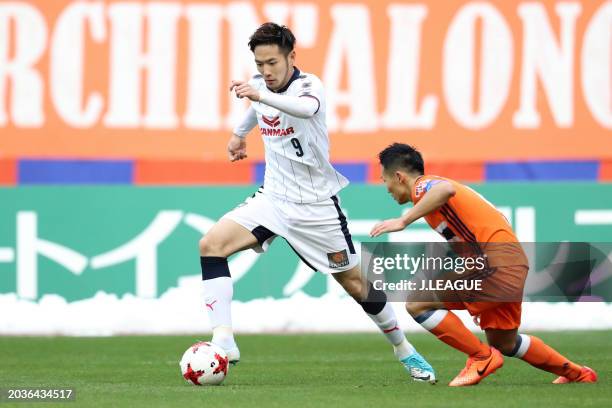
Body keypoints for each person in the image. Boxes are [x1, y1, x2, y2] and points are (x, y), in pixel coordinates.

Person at [198, 23, 436, 383]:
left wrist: (259, 95)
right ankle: (224, 339)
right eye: (260, 63)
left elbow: (304, 109)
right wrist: (238, 135)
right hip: (274, 199)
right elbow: (257, 105)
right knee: (211, 246)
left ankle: (404, 349)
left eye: (272, 62)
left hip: (317, 206)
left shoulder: (310, 87)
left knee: (355, 284)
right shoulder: (261, 85)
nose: (265, 71)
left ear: (291, 57)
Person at [370, 142, 598, 386]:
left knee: (418, 302)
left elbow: (444, 190)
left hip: (495, 265)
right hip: (509, 263)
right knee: (505, 343)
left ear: (399, 176)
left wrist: (403, 221)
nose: (386, 188)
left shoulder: (424, 186)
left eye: (385, 180)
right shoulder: (434, 201)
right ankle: (579, 374)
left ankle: (481, 357)